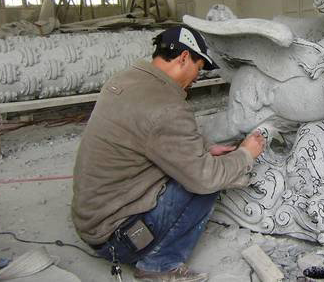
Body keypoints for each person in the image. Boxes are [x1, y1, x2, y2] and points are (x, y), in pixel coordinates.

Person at [71, 25, 265, 282]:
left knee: (201, 165)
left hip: (90, 224)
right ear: (183, 57)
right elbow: (204, 178)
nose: (197, 78)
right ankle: (159, 264)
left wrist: (206, 147)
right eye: (198, 68)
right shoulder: (168, 106)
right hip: (118, 239)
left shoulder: (124, 80)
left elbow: (151, 132)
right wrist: (246, 154)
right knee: (207, 181)